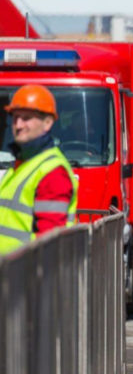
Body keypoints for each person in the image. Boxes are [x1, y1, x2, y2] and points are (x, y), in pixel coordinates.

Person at [0, 84, 78, 255]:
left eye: (26, 118)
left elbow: (49, 242)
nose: (18, 124)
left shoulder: (53, 171)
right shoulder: (22, 163)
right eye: (15, 117)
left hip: (25, 276)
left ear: (48, 122)